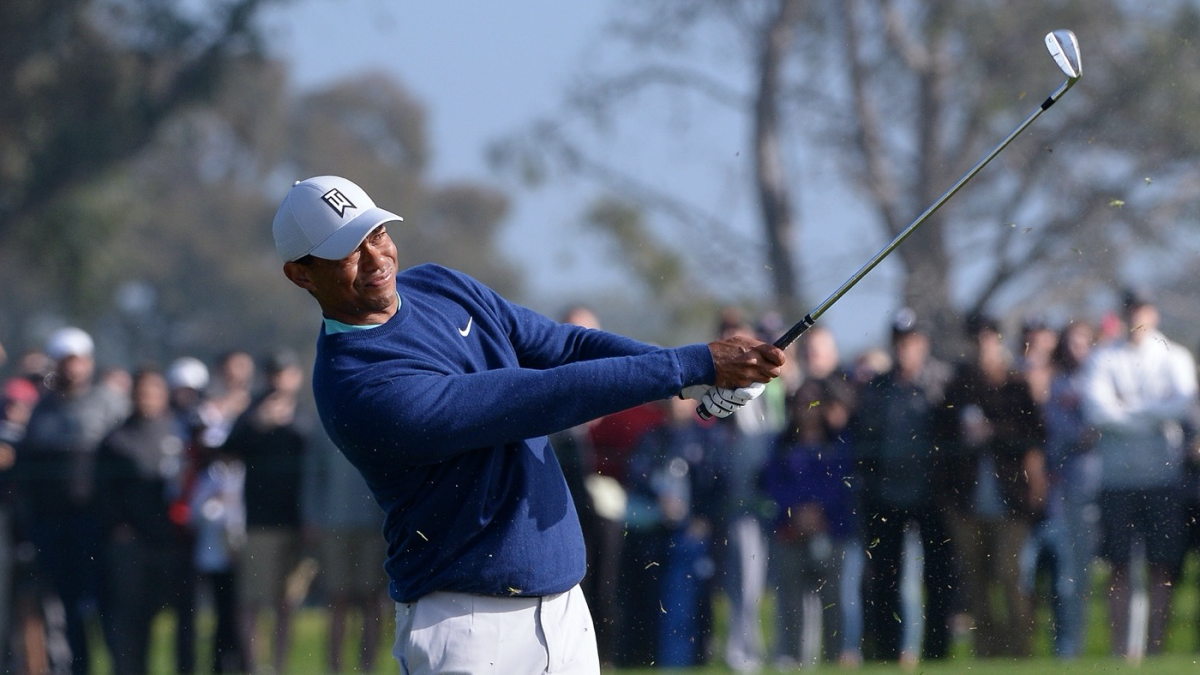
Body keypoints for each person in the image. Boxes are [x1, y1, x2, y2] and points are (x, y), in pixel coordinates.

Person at [271, 175, 784, 674]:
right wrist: (689, 366)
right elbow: (539, 396)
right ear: (302, 274)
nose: (376, 258)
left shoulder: (439, 285)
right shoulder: (356, 385)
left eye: (377, 234)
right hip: (467, 627)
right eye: (348, 251)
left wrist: (694, 381)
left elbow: (566, 347)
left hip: (564, 609)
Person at [1082, 289, 1197, 659]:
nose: (1137, 318)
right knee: (1118, 567)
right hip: (1116, 480)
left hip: (1162, 478)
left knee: (1160, 567)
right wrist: (1151, 414)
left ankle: (1156, 649)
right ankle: (1121, 652)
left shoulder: (1174, 356)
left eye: (1142, 310)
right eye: (1131, 310)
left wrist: (1129, 411)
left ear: (1154, 313)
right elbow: (1098, 412)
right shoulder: (1104, 358)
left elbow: (1181, 403)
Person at [17, 327, 127, 675]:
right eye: (66, 361)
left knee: (104, 605)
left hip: (97, 523)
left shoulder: (109, 402)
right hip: (52, 525)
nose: (72, 368)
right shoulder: (42, 409)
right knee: (65, 606)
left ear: (89, 362)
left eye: (78, 361)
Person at [939, 313, 1046, 658]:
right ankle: (987, 651)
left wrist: (994, 433)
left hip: (1010, 496)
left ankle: (1020, 649)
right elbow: (939, 436)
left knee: (1009, 573)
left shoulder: (1016, 386)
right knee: (976, 581)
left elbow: (1033, 437)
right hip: (967, 498)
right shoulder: (958, 386)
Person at [851, 309, 955, 664]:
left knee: (938, 578)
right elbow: (863, 438)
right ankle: (888, 650)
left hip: (933, 496)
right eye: (899, 343)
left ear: (923, 344)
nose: (905, 350)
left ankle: (936, 651)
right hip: (886, 495)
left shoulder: (943, 382)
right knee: (886, 579)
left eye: (911, 342)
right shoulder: (877, 388)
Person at [222, 350, 310, 674]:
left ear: (296, 376)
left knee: (288, 604)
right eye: (274, 373)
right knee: (252, 601)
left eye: (285, 373)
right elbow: (227, 452)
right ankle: (254, 666)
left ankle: (279, 666)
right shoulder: (251, 413)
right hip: (259, 522)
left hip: (298, 522)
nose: (279, 380)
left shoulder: (304, 415)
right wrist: (259, 424)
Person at [761, 378, 857, 669]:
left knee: (834, 598)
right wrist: (796, 511)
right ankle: (791, 657)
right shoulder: (781, 444)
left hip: (831, 530)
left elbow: (844, 484)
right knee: (789, 599)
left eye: (813, 402)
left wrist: (819, 511)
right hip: (789, 532)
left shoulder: (839, 444)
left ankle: (837, 655)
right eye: (801, 402)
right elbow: (772, 485)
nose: (807, 409)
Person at [95, 367, 184, 674]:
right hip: (132, 544)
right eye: (141, 392)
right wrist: (119, 529)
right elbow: (103, 492)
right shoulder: (116, 440)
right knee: (131, 619)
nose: (147, 398)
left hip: (176, 540)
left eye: (153, 391)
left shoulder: (178, 433)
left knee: (185, 617)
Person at [303, 428, 388, 673]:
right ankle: (335, 667)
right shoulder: (324, 422)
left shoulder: (377, 420)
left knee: (372, 598)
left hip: (374, 523)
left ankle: (367, 667)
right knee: (337, 598)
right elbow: (312, 474)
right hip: (333, 525)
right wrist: (312, 516)